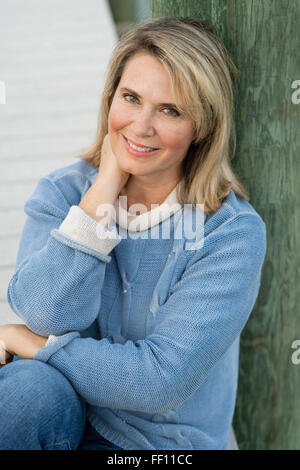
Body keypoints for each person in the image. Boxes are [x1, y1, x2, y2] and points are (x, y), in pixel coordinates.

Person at [0, 17, 266, 450]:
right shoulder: (64, 192)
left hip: (160, 445)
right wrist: (102, 193)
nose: (141, 127)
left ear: (202, 126)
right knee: (21, 395)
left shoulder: (229, 233)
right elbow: (44, 312)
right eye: (131, 98)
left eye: (170, 110)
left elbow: (157, 383)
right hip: (68, 407)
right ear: (111, 99)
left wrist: (28, 343)